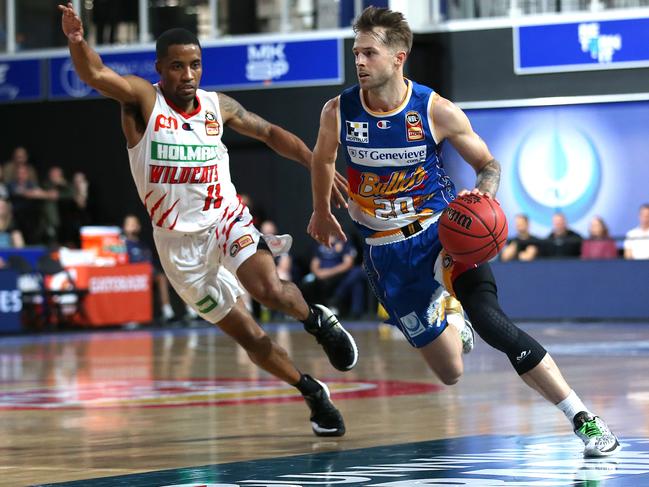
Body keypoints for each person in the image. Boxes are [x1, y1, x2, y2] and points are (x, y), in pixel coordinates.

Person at [307, 6, 619, 456]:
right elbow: (322, 159)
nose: (358, 61)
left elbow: (487, 165)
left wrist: (483, 197)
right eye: (356, 52)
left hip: (441, 235)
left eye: (369, 53)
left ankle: (583, 419)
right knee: (450, 371)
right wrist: (320, 211)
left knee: (495, 326)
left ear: (399, 57)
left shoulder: (434, 109)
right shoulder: (338, 110)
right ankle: (450, 314)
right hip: (384, 252)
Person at [59, 2, 357, 437]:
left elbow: (271, 133)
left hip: (226, 220)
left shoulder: (217, 107)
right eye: (177, 66)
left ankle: (318, 322)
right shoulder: (143, 100)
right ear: (161, 69)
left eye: (195, 65)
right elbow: (95, 75)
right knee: (251, 338)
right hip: (179, 249)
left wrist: (317, 165)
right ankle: (311, 391)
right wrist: (76, 40)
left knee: (268, 288)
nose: (188, 75)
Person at [302, 235, 366, 319]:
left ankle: (339, 299)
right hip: (321, 276)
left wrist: (330, 272)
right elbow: (314, 265)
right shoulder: (319, 242)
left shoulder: (343, 241)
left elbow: (348, 264)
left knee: (357, 273)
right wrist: (320, 274)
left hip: (340, 276)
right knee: (307, 281)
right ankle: (308, 313)